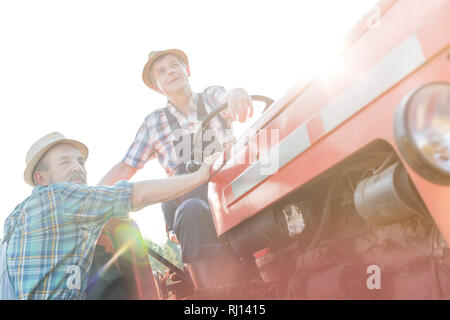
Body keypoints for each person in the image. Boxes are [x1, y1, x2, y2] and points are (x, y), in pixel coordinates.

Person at [99, 49, 254, 287]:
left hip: (233, 190)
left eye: (175, 65)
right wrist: (90, 198)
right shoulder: (153, 123)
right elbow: (124, 168)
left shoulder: (211, 97)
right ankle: (213, 292)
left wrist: (237, 93)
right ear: (156, 86)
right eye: (161, 71)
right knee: (191, 210)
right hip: (192, 202)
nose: (170, 72)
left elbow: (228, 95)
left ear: (187, 71)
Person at [0, 132, 219, 300]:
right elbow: (135, 196)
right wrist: (200, 176)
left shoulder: (15, 219)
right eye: (65, 162)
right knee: (124, 229)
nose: (78, 168)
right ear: (41, 178)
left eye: (80, 162)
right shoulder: (58, 196)